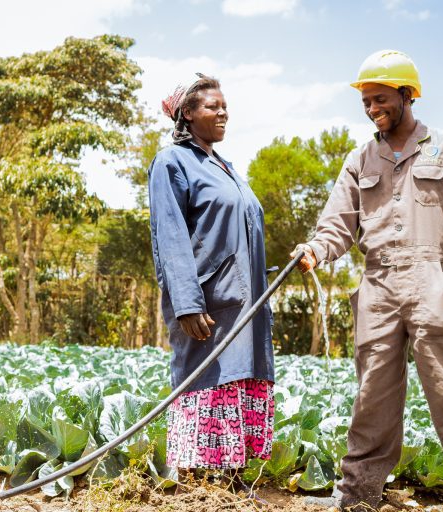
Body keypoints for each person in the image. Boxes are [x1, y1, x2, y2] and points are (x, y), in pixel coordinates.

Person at [294, 50, 443, 512]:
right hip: (376, 288)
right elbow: (337, 225)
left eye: (380, 98)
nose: (372, 108)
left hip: (433, 282)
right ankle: (358, 496)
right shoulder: (360, 160)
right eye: (365, 102)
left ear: (406, 94)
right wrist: (316, 249)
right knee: (371, 400)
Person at [147, 74, 275, 493]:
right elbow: (170, 235)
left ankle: (234, 483)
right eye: (211, 106)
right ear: (187, 114)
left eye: (224, 106)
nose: (223, 112)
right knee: (206, 380)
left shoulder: (225, 166)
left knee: (240, 379)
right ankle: (197, 488)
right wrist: (185, 302)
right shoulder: (172, 162)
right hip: (208, 302)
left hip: (246, 303)